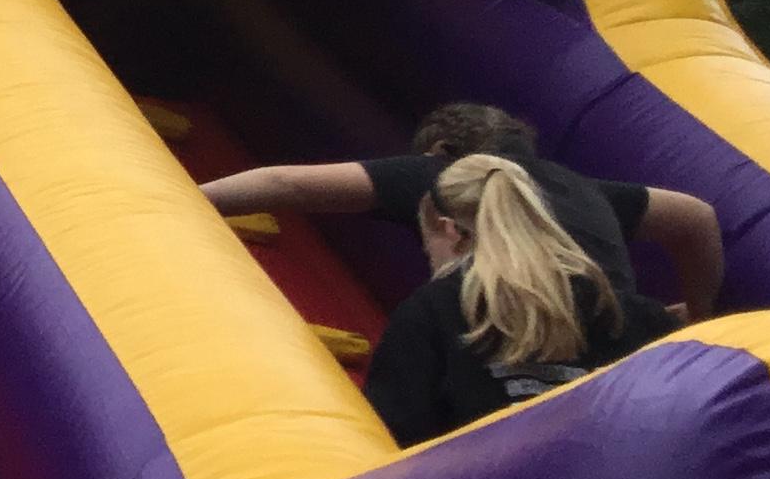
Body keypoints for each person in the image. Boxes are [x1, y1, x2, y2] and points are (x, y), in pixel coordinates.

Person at [200, 101, 721, 325]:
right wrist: (698, 309)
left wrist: (184, 200)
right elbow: (697, 216)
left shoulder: (444, 173)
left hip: (517, 354)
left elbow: (284, 183)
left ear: (441, 151)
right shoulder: (588, 189)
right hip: (619, 349)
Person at [361, 154, 670, 443]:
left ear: (450, 229)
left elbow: (387, 441)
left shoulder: (430, 314)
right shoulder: (633, 316)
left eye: (427, 245)